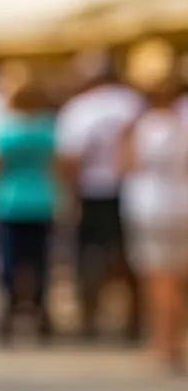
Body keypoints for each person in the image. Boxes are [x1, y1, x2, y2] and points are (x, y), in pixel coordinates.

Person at [56, 51, 145, 342]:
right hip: (131, 189)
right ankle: (135, 318)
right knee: (128, 256)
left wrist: (70, 194)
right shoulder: (133, 102)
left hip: (93, 190)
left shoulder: (80, 108)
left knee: (90, 256)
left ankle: (89, 317)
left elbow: (71, 157)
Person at [0, 80, 62, 345]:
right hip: (41, 199)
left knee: (8, 259)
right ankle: (40, 311)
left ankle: (8, 311)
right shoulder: (48, 130)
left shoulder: (6, 131)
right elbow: (61, 164)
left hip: (9, 201)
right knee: (39, 260)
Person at [120, 77, 188, 371]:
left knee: (158, 278)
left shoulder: (144, 126)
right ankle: (173, 337)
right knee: (177, 276)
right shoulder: (182, 124)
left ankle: (164, 341)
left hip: (149, 205)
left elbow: (127, 162)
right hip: (181, 202)